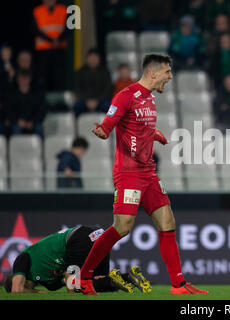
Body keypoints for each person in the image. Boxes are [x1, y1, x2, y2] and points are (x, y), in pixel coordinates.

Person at [77, 53, 208, 295]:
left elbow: (140, 125)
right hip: (128, 174)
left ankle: (178, 285)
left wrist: (155, 134)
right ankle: (84, 277)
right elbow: (110, 122)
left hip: (148, 173)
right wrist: (104, 131)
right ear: (153, 72)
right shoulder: (125, 96)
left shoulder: (149, 98)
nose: (170, 77)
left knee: (167, 222)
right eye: (167, 72)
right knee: (122, 227)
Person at [3, 225, 149, 294]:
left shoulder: (22, 259)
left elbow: (17, 290)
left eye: (26, 286)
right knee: (96, 284)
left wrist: (35, 293)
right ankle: (129, 277)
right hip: (94, 235)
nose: (30, 287)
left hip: (78, 238)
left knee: (75, 286)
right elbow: (72, 282)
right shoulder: (50, 284)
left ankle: (114, 279)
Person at [32, 0, 68, 91]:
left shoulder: (63, 10)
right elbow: (34, 29)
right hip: (43, 49)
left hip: (59, 49)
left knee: (59, 76)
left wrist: (58, 40)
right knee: (43, 76)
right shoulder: (37, 11)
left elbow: (69, 29)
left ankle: (58, 100)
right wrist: (51, 40)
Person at [5, 70, 46, 137]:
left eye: (26, 78)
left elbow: (41, 111)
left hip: (32, 122)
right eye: (22, 78)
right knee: (15, 129)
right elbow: (8, 110)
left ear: (29, 79)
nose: (24, 81)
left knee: (39, 128)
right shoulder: (11, 95)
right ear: (18, 79)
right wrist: (17, 121)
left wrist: (32, 122)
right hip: (17, 122)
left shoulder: (36, 94)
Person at [74, 48, 112, 117]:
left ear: (99, 59)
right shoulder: (80, 72)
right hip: (85, 101)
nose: (93, 60)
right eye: (91, 58)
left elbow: (108, 89)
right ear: (87, 59)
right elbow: (77, 89)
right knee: (76, 106)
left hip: (101, 100)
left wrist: (97, 101)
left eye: (95, 58)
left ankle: (107, 127)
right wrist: (87, 101)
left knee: (110, 108)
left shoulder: (105, 72)